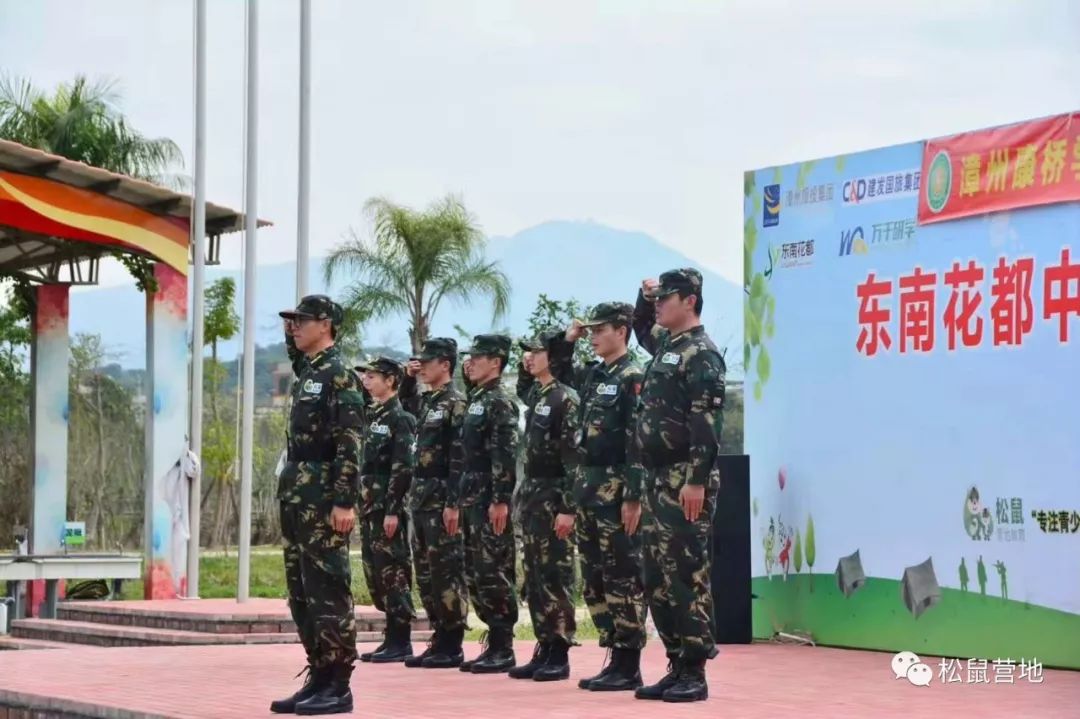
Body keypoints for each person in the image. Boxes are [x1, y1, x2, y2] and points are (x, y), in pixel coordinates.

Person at [632, 269, 726, 703]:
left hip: (683, 477)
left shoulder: (701, 354)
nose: (658, 305)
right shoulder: (666, 347)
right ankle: (675, 661)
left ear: (690, 300)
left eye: (666, 298)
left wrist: (696, 480)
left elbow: (706, 424)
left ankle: (694, 669)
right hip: (656, 478)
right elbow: (639, 327)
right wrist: (643, 293)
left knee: (686, 575)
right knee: (656, 576)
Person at [271, 295, 364, 716]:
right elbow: (293, 345)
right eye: (292, 321)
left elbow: (350, 444)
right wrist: (289, 329)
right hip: (297, 493)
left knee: (328, 588)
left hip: (325, 495)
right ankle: (319, 673)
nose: (294, 327)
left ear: (325, 324)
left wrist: (344, 501)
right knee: (302, 590)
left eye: (302, 321)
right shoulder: (309, 371)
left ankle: (339, 682)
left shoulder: (339, 375)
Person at [561, 302, 648, 691]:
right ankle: (613, 652)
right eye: (591, 331)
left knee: (621, 577)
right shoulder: (595, 374)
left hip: (616, 494)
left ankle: (629, 661)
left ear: (622, 330)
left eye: (600, 330)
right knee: (594, 579)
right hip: (589, 491)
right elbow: (558, 377)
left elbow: (637, 439)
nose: (593, 337)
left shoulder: (633, 375)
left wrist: (633, 494)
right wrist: (568, 341)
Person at [508, 329, 580, 682]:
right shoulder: (538, 394)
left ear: (552, 356)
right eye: (526, 352)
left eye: (535, 351)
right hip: (533, 497)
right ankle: (544, 645)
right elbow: (522, 381)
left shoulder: (565, 399)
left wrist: (568, 507)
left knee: (555, 576)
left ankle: (560, 651)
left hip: (554, 498)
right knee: (535, 578)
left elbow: (573, 459)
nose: (528, 357)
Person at [398, 338, 471, 669]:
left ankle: (452, 642)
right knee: (426, 573)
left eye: (428, 362)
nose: (422, 366)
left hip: (442, 496)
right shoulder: (429, 401)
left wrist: (453, 502)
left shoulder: (456, 403)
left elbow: (460, 455)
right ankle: (439, 635)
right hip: (422, 497)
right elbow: (407, 409)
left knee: (446, 571)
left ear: (446, 364)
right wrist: (407, 380)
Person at [457, 334, 520, 673]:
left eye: (478, 358)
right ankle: (492, 640)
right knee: (474, 570)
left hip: (489, 496)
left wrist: (500, 499)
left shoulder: (500, 401)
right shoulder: (477, 398)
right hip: (471, 494)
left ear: (495, 362)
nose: (471, 362)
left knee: (493, 568)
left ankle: (502, 644)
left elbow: (504, 454)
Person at [355, 356, 418, 663]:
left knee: (394, 571)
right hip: (369, 507)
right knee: (376, 572)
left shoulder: (400, 418)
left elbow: (402, 467)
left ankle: (401, 639)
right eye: (365, 375)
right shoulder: (372, 415)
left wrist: (393, 508)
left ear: (391, 380)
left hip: (386, 508)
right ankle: (389, 637)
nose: (367, 380)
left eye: (373, 375)